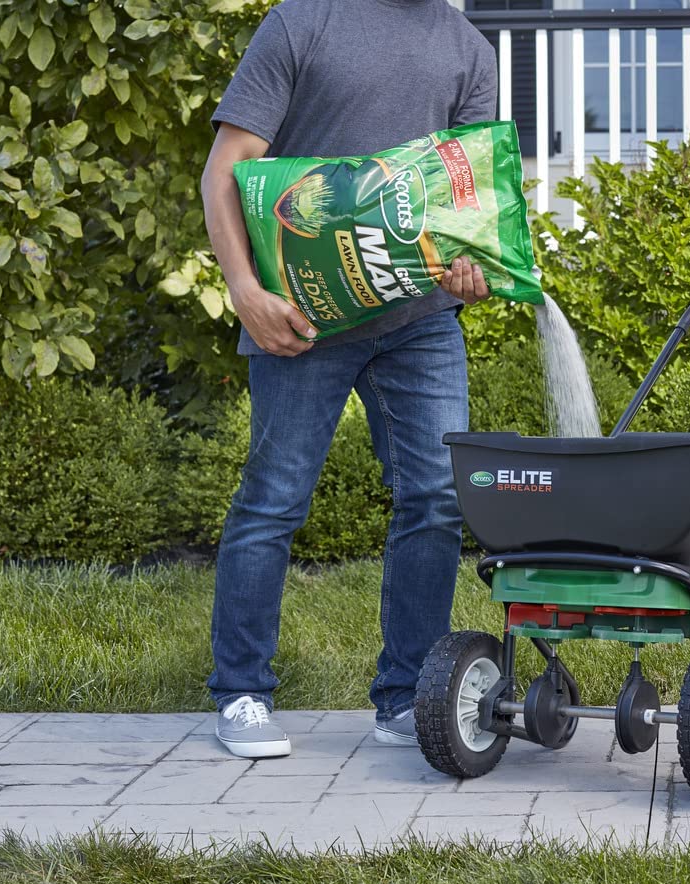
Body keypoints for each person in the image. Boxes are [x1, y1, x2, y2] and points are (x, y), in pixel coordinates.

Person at [199, 0, 497, 758]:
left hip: (420, 320)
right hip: (301, 313)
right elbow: (225, 169)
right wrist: (244, 289)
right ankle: (240, 694)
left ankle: (407, 698)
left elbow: (467, 207)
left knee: (434, 497)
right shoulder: (305, 21)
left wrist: (473, 270)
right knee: (274, 498)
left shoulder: (468, 51)